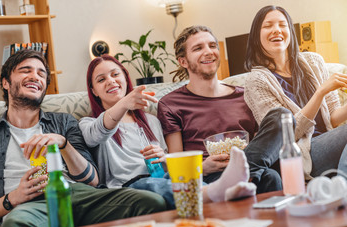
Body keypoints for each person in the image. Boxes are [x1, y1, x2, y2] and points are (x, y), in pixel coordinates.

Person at [0, 49, 167, 227]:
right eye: (26, 70)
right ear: (6, 82)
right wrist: (14, 198)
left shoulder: (64, 122)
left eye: (41, 73)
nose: (35, 76)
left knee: (151, 202)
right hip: (31, 206)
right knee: (16, 226)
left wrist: (63, 144)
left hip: (80, 195)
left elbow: (93, 180)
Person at [79, 54, 256, 207]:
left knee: (178, 182)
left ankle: (221, 192)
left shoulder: (151, 121)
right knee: (153, 185)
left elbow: (169, 167)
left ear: (125, 78)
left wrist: (163, 157)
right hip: (126, 188)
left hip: (162, 179)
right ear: (93, 90)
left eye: (115, 74)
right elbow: (98, 133)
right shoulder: (88, 124)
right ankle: (216, 193)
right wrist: (124, 103)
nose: (110, 81)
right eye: (101, 79)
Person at [158, 25, 285, 194]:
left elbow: (260, 145)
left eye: (212, 46)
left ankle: (243, 172)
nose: (208, 51)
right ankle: (241, 175)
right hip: (211, 178)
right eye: (198, 48)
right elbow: (176, 164)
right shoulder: (170, 104)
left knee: (282, 116)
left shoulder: (246, 95)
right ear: (183, 61)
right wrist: (203, 168)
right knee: (271, 177)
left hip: (251, 167)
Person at [244, 5, 347, 180]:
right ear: (256, 36)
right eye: (268, 26)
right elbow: (284, 136)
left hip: (329, 142)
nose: (276, 30)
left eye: (282, 25)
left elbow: (333, 119)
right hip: (301, 155)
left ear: (290, 30)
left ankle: (338, 190)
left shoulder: (314, 62)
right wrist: (320, 92)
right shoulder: (256, 82)